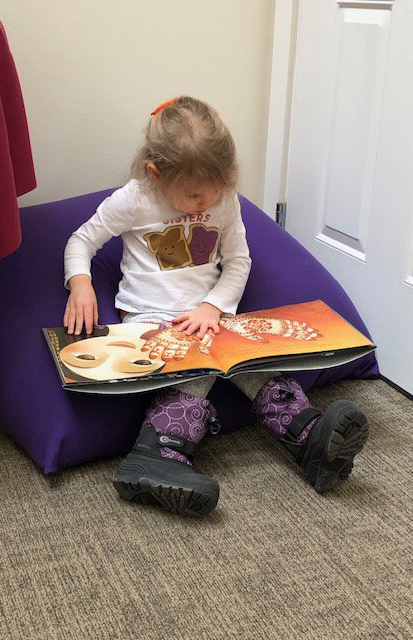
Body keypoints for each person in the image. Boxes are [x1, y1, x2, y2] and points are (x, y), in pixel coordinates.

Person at [63, 96, 369, 517]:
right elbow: (81, 241)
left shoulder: (223, 199)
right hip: (152, 319)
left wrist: (214, 306)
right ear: (156, 174)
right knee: (197, 362)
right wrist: (81, 285)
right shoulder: (134, 200)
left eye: (217, 191)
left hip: (213, 314)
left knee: (253, 363)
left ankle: (309, 437)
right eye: (193, 195)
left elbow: (239, 260)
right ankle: (158, 456)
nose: (206, 203)